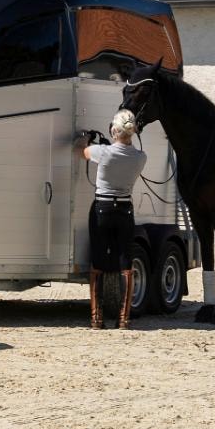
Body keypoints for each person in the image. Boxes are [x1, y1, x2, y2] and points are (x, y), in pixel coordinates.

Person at [77, 109, 146, 329]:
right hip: (124, 210)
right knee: (125, 261)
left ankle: (96, 318)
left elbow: (82, 152)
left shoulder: (103, 152)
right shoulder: (140, 157)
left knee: (98, 260)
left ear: (114, 131)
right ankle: (123, 319)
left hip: (102, 208)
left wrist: (87, 139)